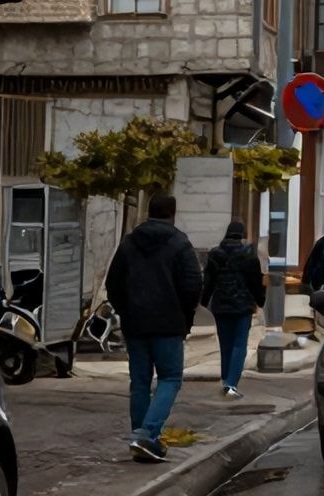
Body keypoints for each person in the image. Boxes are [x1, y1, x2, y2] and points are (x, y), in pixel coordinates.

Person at [105, 193, 202, 465]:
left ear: (148, 211)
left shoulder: (128, 243)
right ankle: (148, 433)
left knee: (140, 382)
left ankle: (139, 436)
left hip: (135, 324)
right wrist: (184, 315)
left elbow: (114, 285)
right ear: (172, 213)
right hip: (169, 324)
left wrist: (126, 310)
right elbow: (193, 285)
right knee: (170, 379)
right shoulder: (180, 243)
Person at [201, 221, 265, 399]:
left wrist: (203, 301)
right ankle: (231, 384)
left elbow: (209, 282)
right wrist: (260, 300)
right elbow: (255, 282)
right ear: (242, 235)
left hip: (221, 306)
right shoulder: (249, 256)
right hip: (243, 306)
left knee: (225, 344)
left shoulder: (215, 254)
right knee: (239, 345)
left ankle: (225, 379)